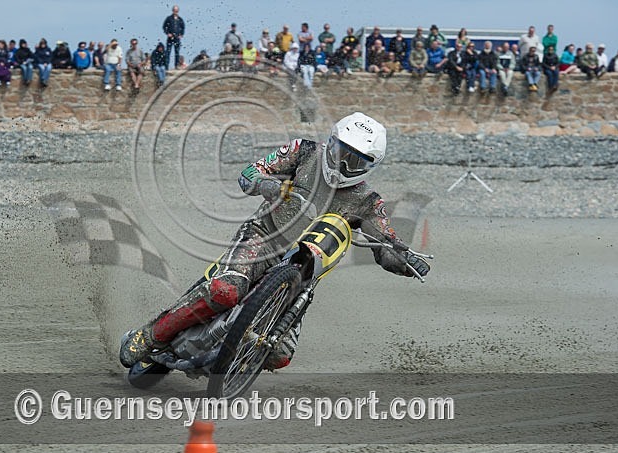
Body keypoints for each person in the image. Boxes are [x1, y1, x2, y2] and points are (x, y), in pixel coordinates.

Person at [119, 112, 430, 370]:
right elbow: (249, 174)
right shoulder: (304, 151)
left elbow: (386, 247)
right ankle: (150, 336)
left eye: (356, 162)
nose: (344, 165)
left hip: (303, 274)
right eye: (340, 153)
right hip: (262, 238)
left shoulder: (368, 202)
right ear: (330, 142)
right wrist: (266, 184)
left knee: (279, 355)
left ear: (370, 166)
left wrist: (406, 262)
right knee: (226, 292)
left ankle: (231, 362)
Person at [162, 5, 184, 69]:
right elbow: (164, 26)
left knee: (177, 52)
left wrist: (181, 34)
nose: (175, 12)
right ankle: (166, 66)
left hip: (177, 38)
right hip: (170, 38)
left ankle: (176, 65)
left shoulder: (180, 19)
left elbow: (183, 27)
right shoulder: (169, 18)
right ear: (172, 11)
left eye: (177, 11)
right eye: (174, 10)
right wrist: (167, 33)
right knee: (168, 52)